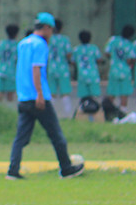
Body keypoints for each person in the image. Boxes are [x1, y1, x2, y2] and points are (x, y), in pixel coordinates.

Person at [6, 12, 85, 180]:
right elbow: (36, 70)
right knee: (56, 135)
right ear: (47, 28)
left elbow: (21, 69)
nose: (52, 34)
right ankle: (66, 168)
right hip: (38, 97)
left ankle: (13, 170)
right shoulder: (40, 44)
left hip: (24, 96)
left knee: (21, 138)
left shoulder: (23, 43)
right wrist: (40, 95)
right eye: (52, 30)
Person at [105, 25, 136, 111]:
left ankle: (108, 111)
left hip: (114, 69)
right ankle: (123, 111)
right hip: (125, 71)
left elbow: (107, 53)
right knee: (124, 93)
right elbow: (131, 59)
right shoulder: (130, 44)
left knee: (112, 92)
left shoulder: (113, 40)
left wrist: (114, 58)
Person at [47, 18, 74, 116]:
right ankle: (68, 114)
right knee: (65, 92)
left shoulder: (48, 39)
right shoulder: (65, 40)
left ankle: (50, 114)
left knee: (52, 93)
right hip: (63, 69)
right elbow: (69, 54)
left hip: (51, 68)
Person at [72, 30, 102, 108]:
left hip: (82, 75)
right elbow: (99, 59)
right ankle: (95, 111)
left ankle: (83, 111)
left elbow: (73, 61)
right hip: (93, 75)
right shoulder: (94, 48)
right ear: (90, 39)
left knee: (83, 96)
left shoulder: (76, 49)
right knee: (94, 95)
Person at [0, 24, 20, 103]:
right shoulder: (17, 45)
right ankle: (9, 110)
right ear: (16, 34)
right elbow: (17, 59)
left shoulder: (1, 43)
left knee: (0, 92)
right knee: (10, 94)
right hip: (11, 72)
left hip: (1, 71)